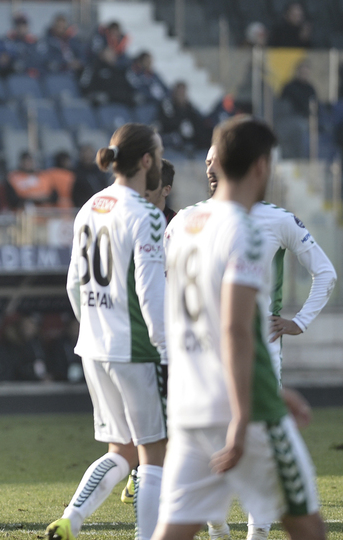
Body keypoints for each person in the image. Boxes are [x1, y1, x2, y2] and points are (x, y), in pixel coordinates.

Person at [154, 116, 326, 540]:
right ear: (261, 166)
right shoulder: (247, 231)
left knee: (174, 530)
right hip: (245, 406)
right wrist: (245, 412)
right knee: (308, 526)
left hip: (189, 402)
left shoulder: (181, 225)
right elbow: (234, 327)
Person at [48, 123, 167, 540]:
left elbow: (72, 283)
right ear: (148, 160)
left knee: (121, 450)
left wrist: (93, 326)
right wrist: (167, 351)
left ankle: (71, 519)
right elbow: (151, 296)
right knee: (154, 455)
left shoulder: (90, 206)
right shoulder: (146, 214)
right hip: (135, 349)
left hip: (94, 346)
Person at [144, 159, 176, 223]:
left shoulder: (177, 223)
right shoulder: (130, 218)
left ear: (166, 190)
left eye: (151, 183)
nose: (143, 188)